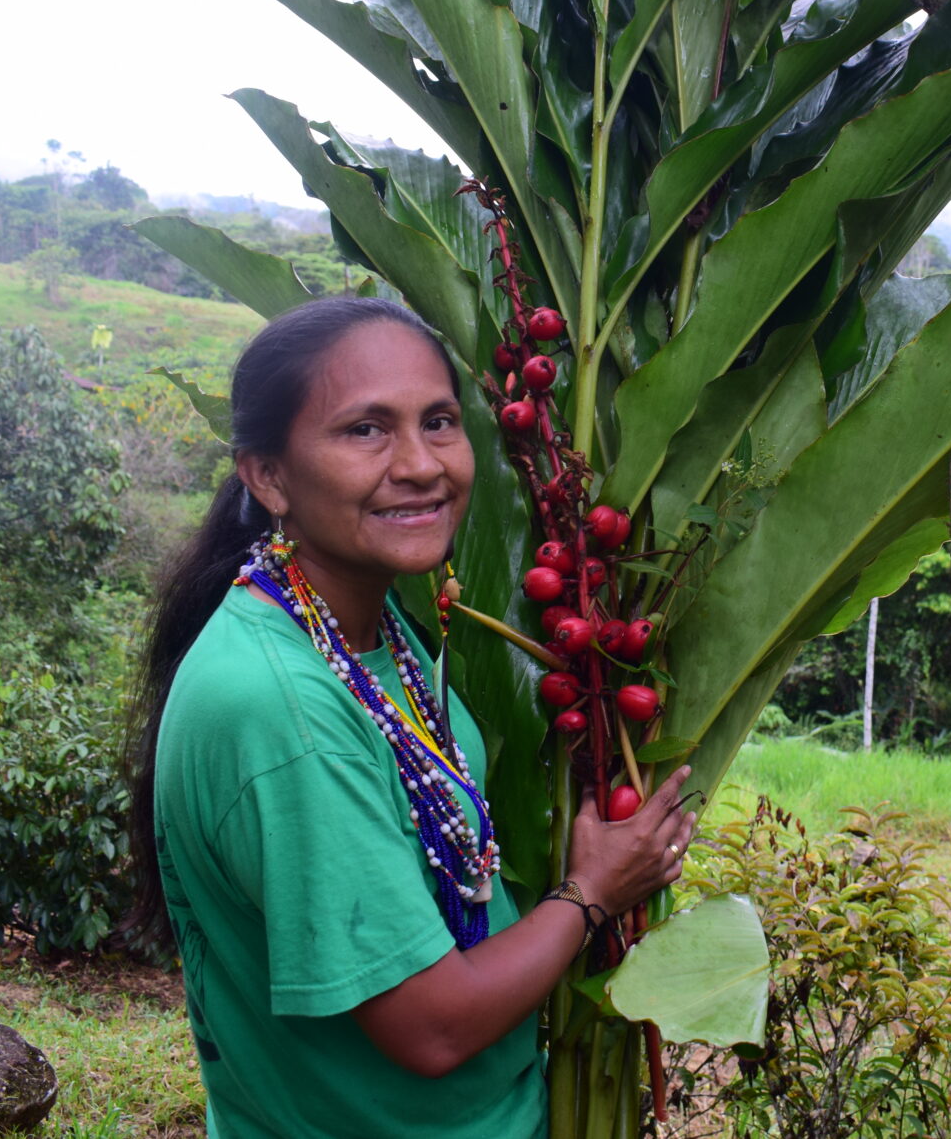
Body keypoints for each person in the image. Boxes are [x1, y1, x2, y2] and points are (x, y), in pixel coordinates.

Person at [124, 296, 694, 1139]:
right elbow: (431, 1026)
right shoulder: (284, 712)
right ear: (268, 474)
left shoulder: (370, 626)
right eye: (365, 430)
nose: (422, 464)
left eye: (438, 421)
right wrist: (594, 891)